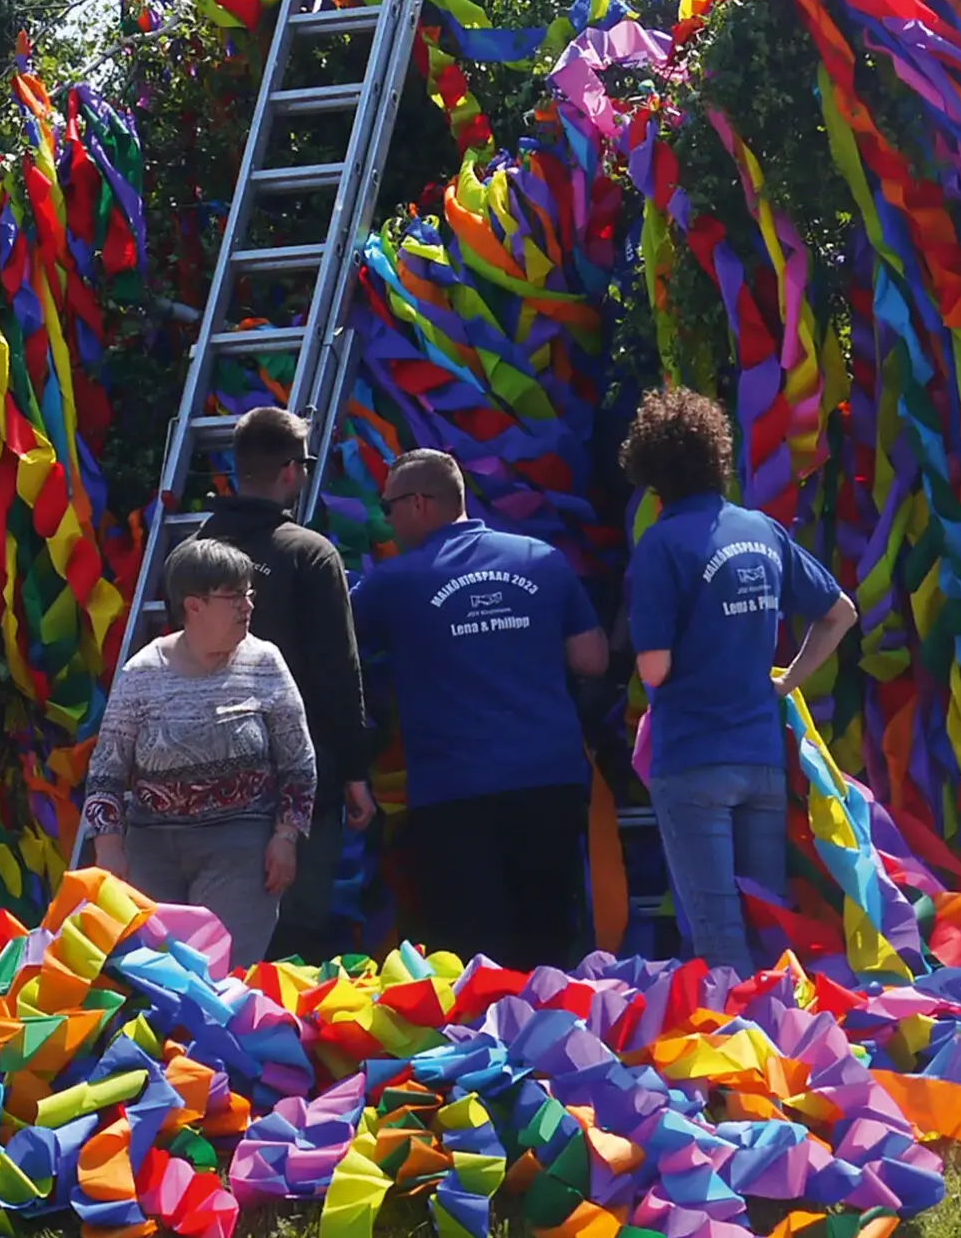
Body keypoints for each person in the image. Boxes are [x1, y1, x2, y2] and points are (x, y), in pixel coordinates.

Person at [622, 386, 857, 975]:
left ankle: (736, 1036)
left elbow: (654, 668)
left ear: (652, 474)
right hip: (760, 756)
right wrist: (786, 682)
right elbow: (840, 613)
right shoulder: (761, 531)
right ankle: (786, 1030)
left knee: (719, 937)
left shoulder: (660, 546)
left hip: (693, 757)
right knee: (769, 926)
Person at [351, 448, 609, 969]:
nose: (387, 520)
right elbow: (592, 659)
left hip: (455, 790)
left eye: (388, 506)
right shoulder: (541, 559)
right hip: (548, 780)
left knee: (472, 957)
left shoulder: (393, 582)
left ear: (419, 504)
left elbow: (334, 654)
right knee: (549, 949)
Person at [82, 539, 316, 969]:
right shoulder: (142, 673)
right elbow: (106, 770)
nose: (247, 606)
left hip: (240, 848)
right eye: (234, 596)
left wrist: (286, 836)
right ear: (194, 606)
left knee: (220, 977)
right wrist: (109, 848)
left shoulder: (265, 663)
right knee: (153, 979)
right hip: (152, 850)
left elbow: (298, 762)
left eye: (249, 593)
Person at [195, 407, 375, 962]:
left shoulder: (194, 553)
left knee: (216, 929)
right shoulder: (308, 554)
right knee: (293, 932)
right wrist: (355, 771)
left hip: (205, 770)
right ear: (292, 470)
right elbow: (336, 668)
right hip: (296, 773)